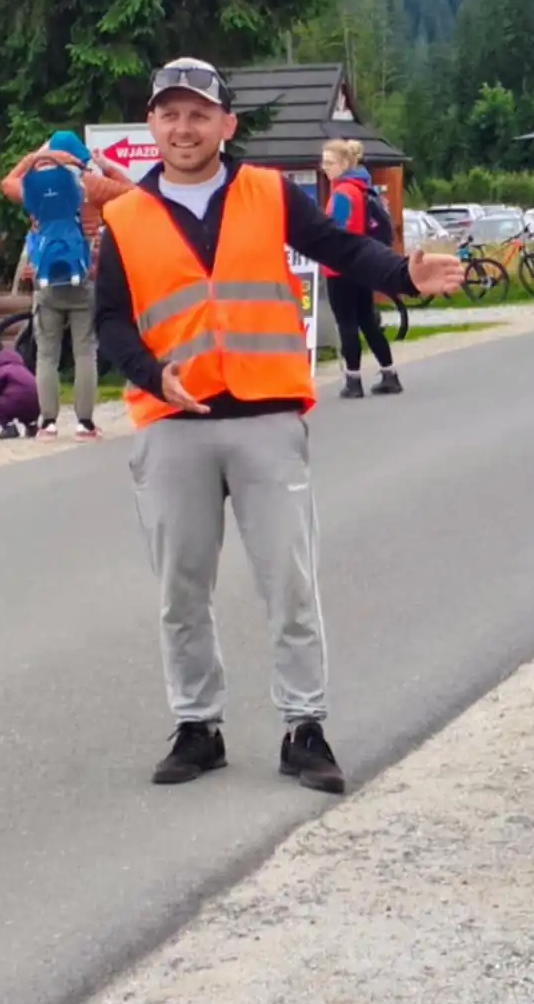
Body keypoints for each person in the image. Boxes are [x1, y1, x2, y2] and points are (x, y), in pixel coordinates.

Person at [94, 58, 464, 792]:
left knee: (289, 583)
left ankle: (305, 727)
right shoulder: (126, 217)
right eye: (170, 114)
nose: (184, 128)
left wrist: (402, 275)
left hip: (266, 418)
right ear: (152, 125)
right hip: (173, 422)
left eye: (199, 114)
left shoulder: (269, 192)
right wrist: (149, 372)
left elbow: (342, 248)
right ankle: (197, 727)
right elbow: (109, 320)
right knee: (180, 590)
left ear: (226, 124)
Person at [1, 130, 135, 441]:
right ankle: (85, 424)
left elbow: (7, 183)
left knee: (46, 354)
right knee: (85, 351)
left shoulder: (34, 187)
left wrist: (34, 158)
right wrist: (106, 166)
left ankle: (48, 423)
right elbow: (133, 193)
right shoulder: (90, 184)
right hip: (85, 279)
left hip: (46, 281)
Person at [320, 138, 400, 399]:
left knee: (347, 323)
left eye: (329, 162)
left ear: (344, 164)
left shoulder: (343, 193)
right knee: (367, 320)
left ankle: (353, 381)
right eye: (323, 162)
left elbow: (337, 231)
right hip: (362, 265)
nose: (324, 167)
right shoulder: (362, 188)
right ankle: (389, 374)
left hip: (340, 267)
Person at [0, 346, 38, 438]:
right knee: (26, 406)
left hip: (16, 402)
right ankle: (31, 426)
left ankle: (9, 427)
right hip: (35, 404)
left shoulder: (3, 369)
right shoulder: (25, 370)